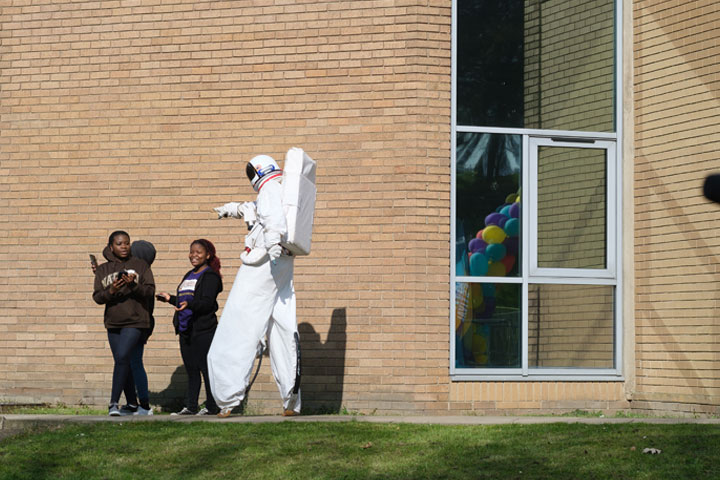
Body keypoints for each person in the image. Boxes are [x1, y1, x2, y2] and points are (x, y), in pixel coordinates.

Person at [209, 154, 301, 417]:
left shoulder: (270, 188)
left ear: (258, 170)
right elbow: (257, 209)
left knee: (237, 325)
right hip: (282, 263)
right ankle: (291, 401)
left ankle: (227, 397)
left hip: (263, 261)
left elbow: (271, 217)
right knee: (282, 327)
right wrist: (232, 209)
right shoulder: (281, 188)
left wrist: (271, 244)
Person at [157, 239, 223, 416]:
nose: (194, 255)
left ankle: (211, 406)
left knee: (206, 369)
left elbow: (207, 304)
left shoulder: (210, 276)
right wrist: (170, 298)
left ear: (208, 255)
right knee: (191, 369)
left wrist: (190, 304)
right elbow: (184, 301)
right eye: (191, 252)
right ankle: (191, 406)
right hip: (186, 329)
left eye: (198, 252)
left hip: (203, 329)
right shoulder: (189, 274)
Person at [92, 231, 155, 416]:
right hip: (113, 322)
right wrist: (111, 290)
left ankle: (113, 404)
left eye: (127, 243)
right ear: (111, 246)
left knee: (122, 358)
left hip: (135, 321)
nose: (124, 247)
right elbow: (97, 297)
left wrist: (133, 285)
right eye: (120, 244)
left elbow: (150, 291)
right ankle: (133, 404)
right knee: (123, 360)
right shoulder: (103, 269)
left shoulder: (140, 265)